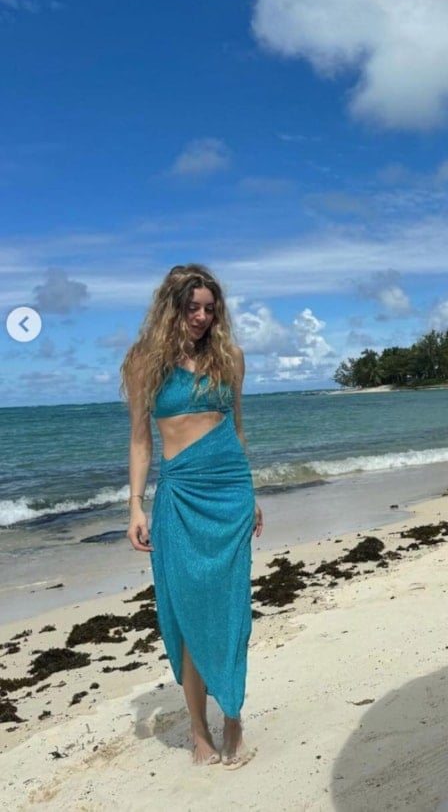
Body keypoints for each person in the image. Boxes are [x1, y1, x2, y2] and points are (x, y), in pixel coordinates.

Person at [121, 263, 263, 767]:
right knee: (187, 609)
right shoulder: (144, 362)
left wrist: (252, 495)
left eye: (209, 309)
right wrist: (135, 505)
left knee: (231, 609)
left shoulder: (231, 358)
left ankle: (233, 719)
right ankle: (200, 732)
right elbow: (141, 441)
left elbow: (236, 429)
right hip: (180, 496)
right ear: (171, 308)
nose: (202, 317)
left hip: (231, 492)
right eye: (192, 308)